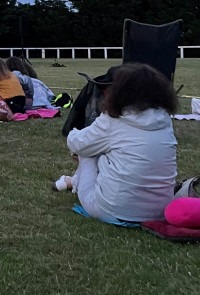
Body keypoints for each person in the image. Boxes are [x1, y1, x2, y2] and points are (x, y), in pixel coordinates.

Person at [53, 63, 177, 225]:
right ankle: (73, 181)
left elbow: (76, 143)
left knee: (87, 150)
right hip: (159, 211)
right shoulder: (165, 120)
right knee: (104, 149)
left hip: (112, 211)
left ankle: (75, 182)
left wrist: (77, 134)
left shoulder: (113, 121)